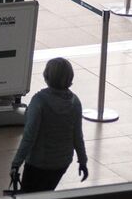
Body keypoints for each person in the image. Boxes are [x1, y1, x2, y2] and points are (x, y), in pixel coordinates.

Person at [9, 57, 88, 192]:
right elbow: (77, 135)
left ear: (47, 76)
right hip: (62, 162)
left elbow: (29, 136)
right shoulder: (75, 102)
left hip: (38, 162)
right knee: (46, 194)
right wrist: (82, 160)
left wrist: (16, 163)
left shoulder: (39, 101)